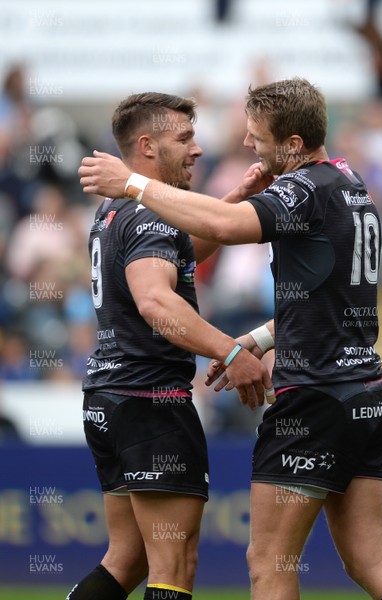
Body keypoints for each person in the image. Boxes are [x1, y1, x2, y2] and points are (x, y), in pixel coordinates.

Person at [78, 78, 382, 600]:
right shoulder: (351, 184)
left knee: (268, 562)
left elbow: (220, 231)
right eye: (187, 138)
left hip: (311, 396)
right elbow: (330, 304)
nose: (245, 146)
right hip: (364, 394)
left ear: (292, 145)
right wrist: (260, 339)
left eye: (257, 137)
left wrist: (131, 182)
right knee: (371, 561)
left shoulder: (301, 188)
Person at [69, 92, 274, 600]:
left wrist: (233, 204)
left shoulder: (118, 211)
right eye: (184, 139)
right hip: (151, 402)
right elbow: (157, 301)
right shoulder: (150, 216)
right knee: (174, 564)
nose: (198, 150)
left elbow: (178, 256)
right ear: (147, 147)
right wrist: (231, 351)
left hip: (109, 400)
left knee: (128, 558)